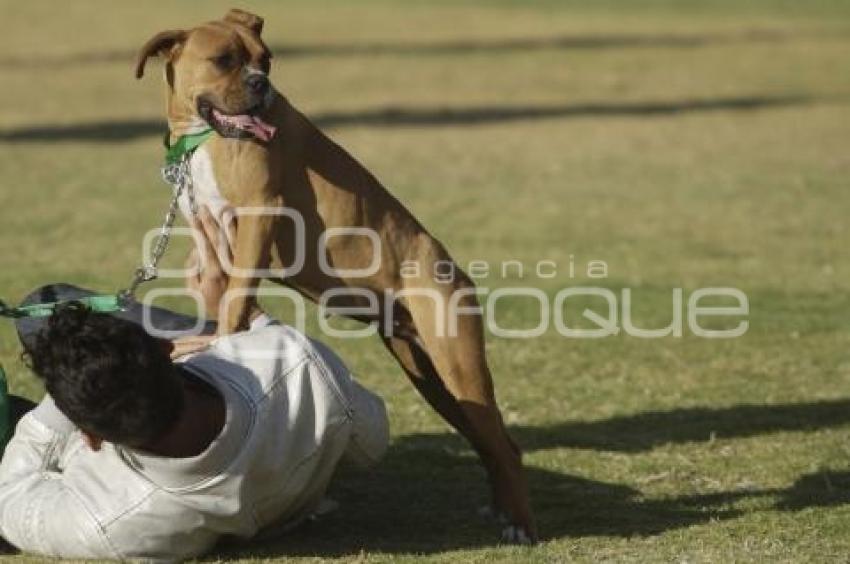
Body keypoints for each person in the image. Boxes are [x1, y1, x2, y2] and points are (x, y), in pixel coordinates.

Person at [0, 207, 389, 560]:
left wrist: (67, 398)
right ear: (170, 349)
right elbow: (370, 443)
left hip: (93, 460)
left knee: (42, 314)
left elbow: (8, 498)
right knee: (44, 309)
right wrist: (242, 319)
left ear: (90, 438)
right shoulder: (296, 362)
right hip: (209, 380)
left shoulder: (106, 524)